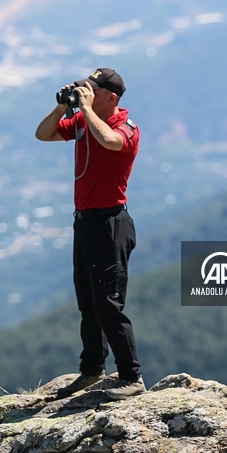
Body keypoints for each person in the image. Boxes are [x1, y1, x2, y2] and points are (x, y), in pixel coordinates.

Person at [34, 67, 145, 400]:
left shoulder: (124, 127)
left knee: (108, 304)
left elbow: (111, 142)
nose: (86, 93)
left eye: (92, 90)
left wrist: (84, 110)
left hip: (111, 223)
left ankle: (131, 377)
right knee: (87, 302)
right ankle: (92, 369)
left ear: (110, 97)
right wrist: (62, 107)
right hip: (84, 222)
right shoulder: (84, 122)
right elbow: (43, 134)